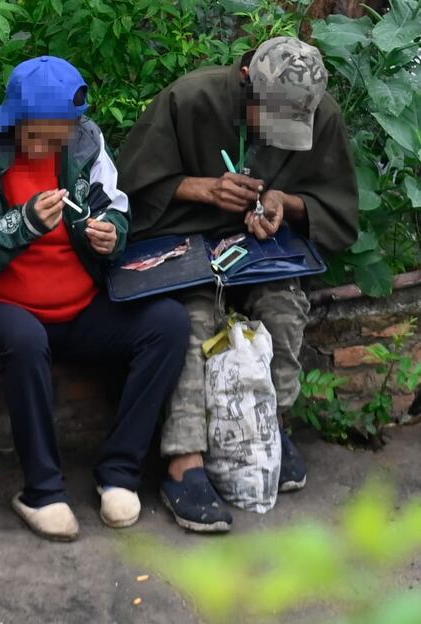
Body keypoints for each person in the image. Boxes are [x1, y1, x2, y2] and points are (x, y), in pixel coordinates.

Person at [0, 56, 190, 542]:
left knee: (168, 323)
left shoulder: (86, 140)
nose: (52, 145)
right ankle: (43, 491)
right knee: (25, 339)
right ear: (15, 121)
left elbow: (116, 206)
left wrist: (111, 233)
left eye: (61, 134)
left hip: (80, 307)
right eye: (41, 135)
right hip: (0, 311)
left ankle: (120, 472)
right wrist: (21, 223)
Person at [118, 37, 359, 532]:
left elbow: (334, 206)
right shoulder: (191, 98)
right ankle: (184, 462)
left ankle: (272, 428)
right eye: (269, 120)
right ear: (247, 81)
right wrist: (202, 188)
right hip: (186, 240)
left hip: (261, 251)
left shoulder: (321, 110)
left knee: (285, 305)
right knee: (193, 317)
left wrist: (282, 203)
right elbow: (130, 187)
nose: (276, 134)